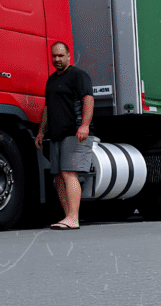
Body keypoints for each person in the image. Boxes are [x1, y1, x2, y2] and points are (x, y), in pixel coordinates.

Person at [35, 42, 94, 230]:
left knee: (69, 173)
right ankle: (68, 216)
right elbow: (47, 108)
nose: (57, 60)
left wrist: (84, 125)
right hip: (56, 135)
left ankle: (73, 218)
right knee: (59, 177)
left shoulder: (78, 76)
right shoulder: (51, 80)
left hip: (74, 133)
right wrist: (41, 131)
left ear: (69, 56)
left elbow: (88, 99)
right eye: (54, 56)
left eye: (61, 56)